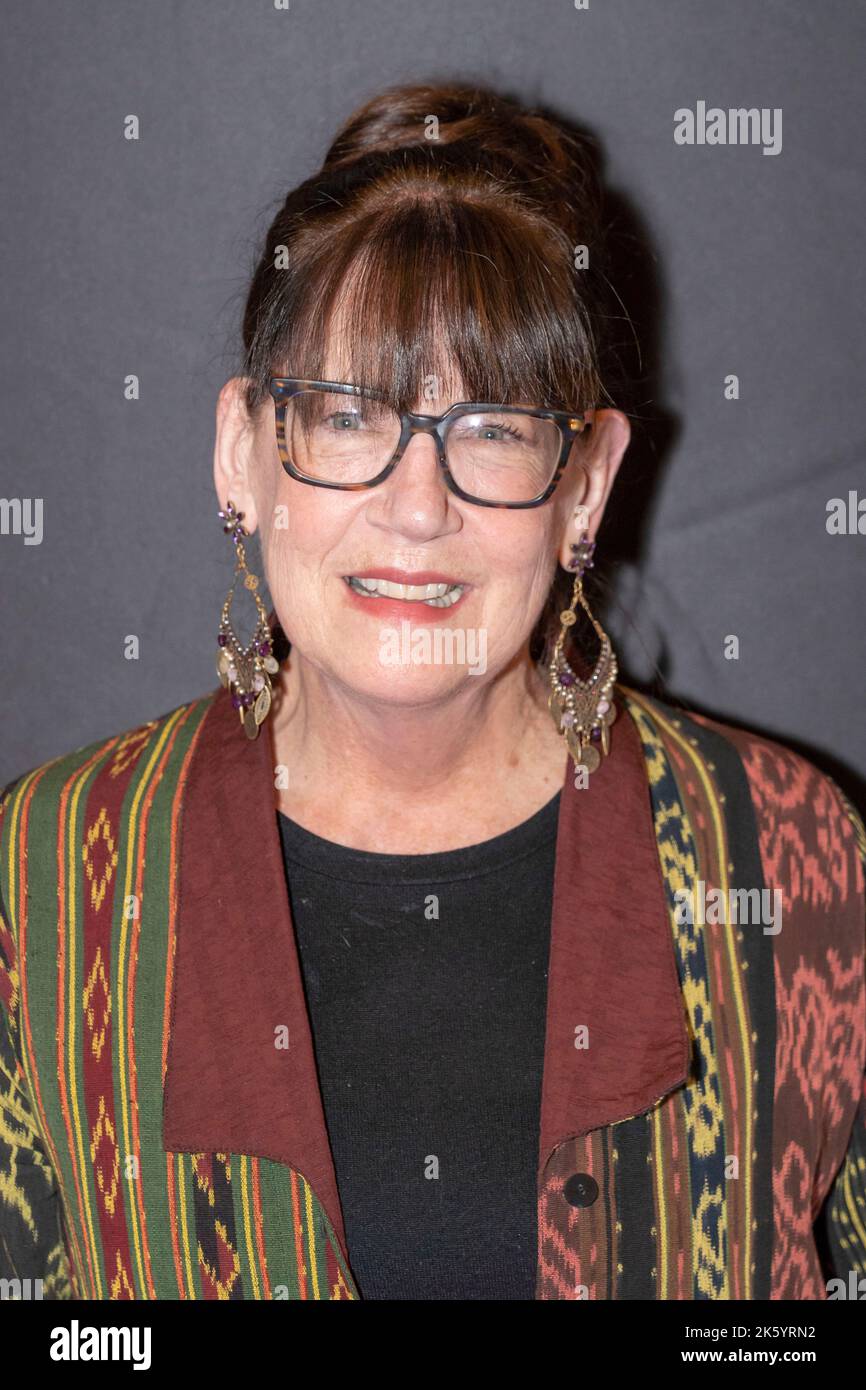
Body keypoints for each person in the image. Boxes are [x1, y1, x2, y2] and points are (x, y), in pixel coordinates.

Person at [1, 79, 864, 1303]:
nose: (419, 508)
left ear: (585, 486)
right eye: (349, 416)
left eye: (496, 428)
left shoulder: (787, 857)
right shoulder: (46, 874)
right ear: (240, 454)